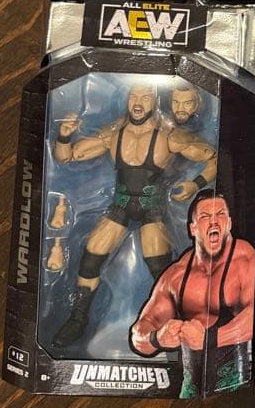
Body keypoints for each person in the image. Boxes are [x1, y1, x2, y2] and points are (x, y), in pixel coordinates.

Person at [51, 83, 217, 348]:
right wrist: (63, 136)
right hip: (119, 207)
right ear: (127, 99)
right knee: (90, 260)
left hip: (152, 210)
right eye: (133, 96)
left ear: (155, 101)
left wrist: (194, 184)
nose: (138, 102)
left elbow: (214, 158)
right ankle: (78, 319)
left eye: (145, 96)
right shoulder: (112, 135)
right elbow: (66, 157)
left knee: (162, 272)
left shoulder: (169, 136)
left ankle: (178, 323)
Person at [130, 191, 255, 398]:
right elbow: (138, 335)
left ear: (229, 223)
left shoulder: (245, 259)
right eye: (205, 216)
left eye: (220, 214)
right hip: (191, 393)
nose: (214, 221)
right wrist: (157, 338)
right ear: (193, 228)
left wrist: (209, 339)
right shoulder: (176, 275)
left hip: (240, 389)